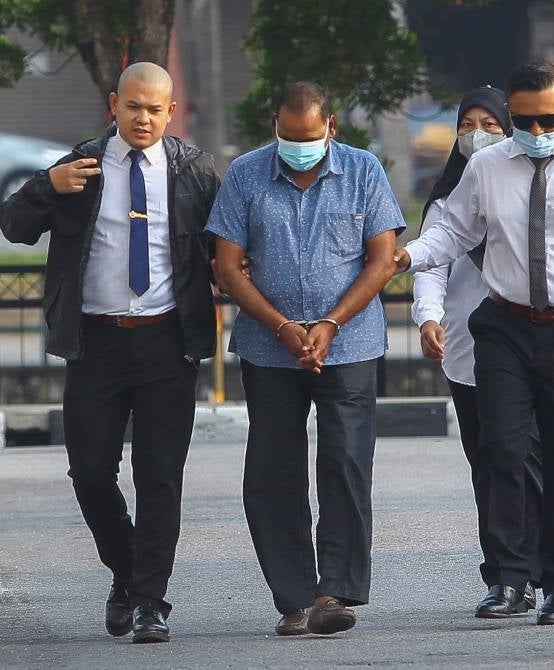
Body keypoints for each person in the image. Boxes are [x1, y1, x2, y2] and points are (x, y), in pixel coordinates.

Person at [0, 62, 222, 643]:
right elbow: (14, 226)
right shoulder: (81, 166)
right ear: (114, 105)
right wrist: (49, 185)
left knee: (159, 477)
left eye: (155, 109)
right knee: (91, 472)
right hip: (95, 341)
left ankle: (150, 602)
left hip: (167, 342)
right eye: (133, 107)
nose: (143, 118)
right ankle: (126, 573)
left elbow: (225, 248)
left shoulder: (195, 172)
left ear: (170, 113)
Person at [395, 61, 554, 625]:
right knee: (502, 450)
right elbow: (452, 229)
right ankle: (509, 578)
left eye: (547, 120)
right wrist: (406, 256)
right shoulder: (487, 166)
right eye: (523, 121)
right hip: (506, 324)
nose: (535, 133)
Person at [206, 81, 403, 637]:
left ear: (331, 128)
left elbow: (382, 258)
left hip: (351, 343)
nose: (299, 146)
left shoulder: (363, 171)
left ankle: (332, 593)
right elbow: (226, 265)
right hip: (270, 349)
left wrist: (330, 322)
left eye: (310, 137)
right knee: (273, 470)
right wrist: (283, 326)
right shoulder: (246, 174)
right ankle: (293, 598)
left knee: (344, 463)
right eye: (289, 137)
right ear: (275, 127)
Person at [411, 85, 542, 611]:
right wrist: (428, 317)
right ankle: (504, 571)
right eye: (468, 124)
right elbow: (432, 263)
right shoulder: (445, 200)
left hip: (533, 343)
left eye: (491, 124)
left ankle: (536, 566)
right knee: (489, 461)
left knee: (529, 459)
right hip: (467, 351)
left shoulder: (529, 187)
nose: (478, 134)